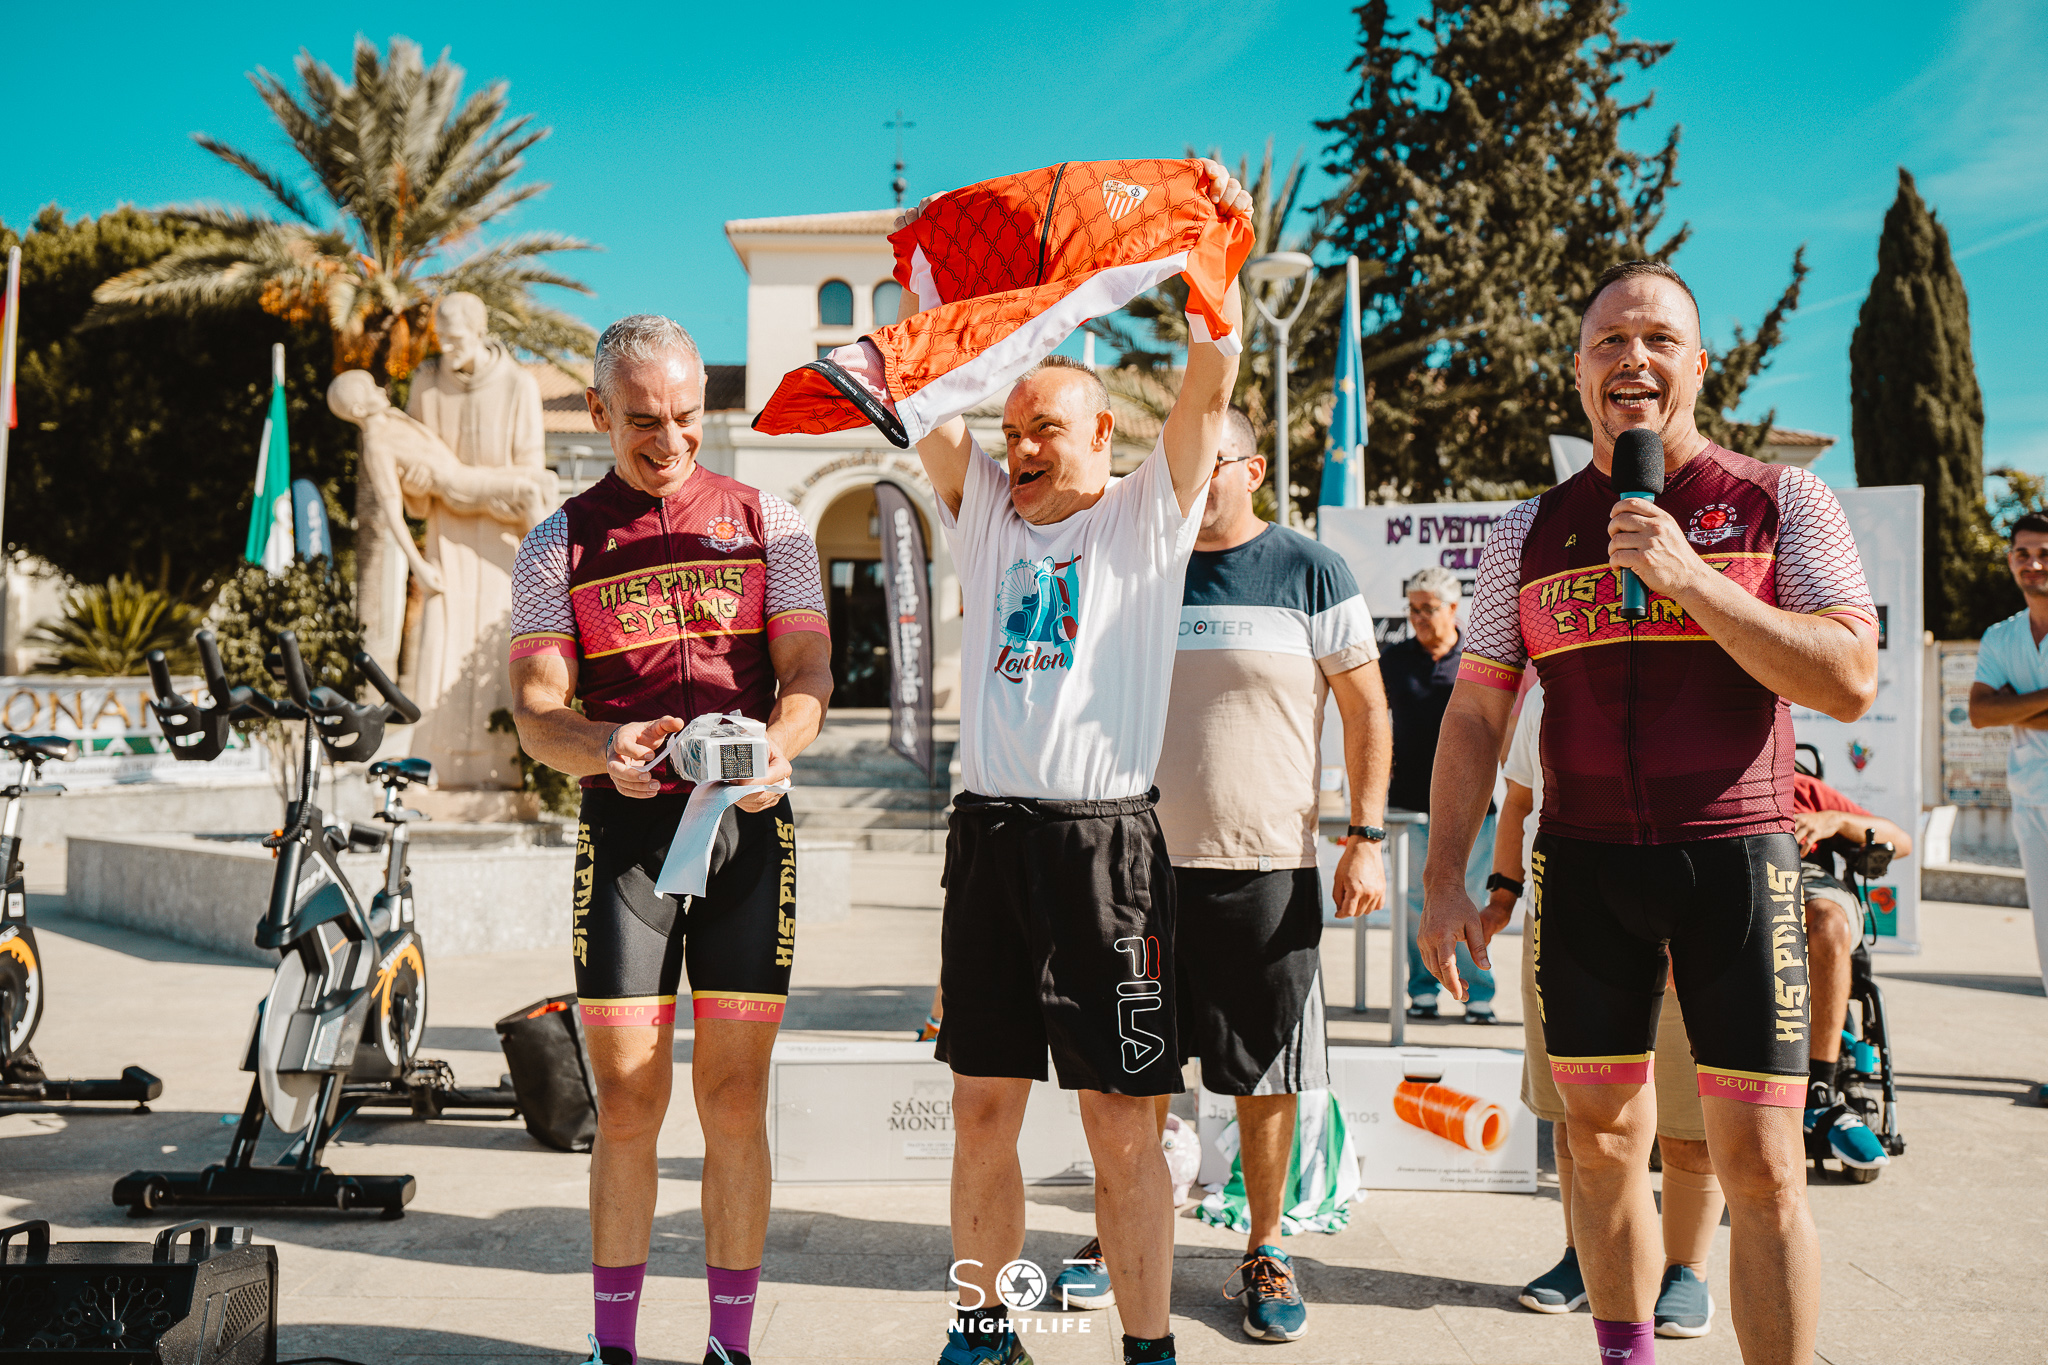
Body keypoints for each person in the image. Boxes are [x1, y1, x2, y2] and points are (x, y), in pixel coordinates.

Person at [1419, 259, 1879, 1365]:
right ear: (1578, 371)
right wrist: (1443, 878)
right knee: (1597, 1144)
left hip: (1736, 863)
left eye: (1659, 339)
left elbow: (1848, 677)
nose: (1633, 359)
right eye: (1609, 342)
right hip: (1584, 869)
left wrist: (1693, 580)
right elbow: (1476, 715)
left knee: (1762, 1166)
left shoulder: (1783, 500)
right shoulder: (1526, 530)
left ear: (1699, 365)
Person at [903, 161, 1253, 1365]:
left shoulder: (1147, 513)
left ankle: (1146, 1347)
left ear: (1103, 433)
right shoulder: (984, 515)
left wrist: (1212, 254)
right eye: (1010, 432)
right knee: (979, 1110)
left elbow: (1210, 379)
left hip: (1106, 853)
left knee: (1120, 1124)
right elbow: (924, 388)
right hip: (987, 841)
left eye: (1041, 429)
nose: (1018, 448)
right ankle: (981, 1329)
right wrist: (922, 269)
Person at [508, 314, 835, 1365]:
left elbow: (808, 676)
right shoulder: (555, 541)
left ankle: (729, 1347)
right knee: (628, 1102)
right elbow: (536, 712)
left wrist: (777, 747)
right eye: (643, 420)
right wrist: (604, 745)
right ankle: (614, 1347)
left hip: (748, 832)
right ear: (598, 412)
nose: (669, 440)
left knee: (733, 1101)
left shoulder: (772, 521)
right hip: (628, 837)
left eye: (687, 416)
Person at [1049, 407, 1392, 1342]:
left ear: (1255, 468)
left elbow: (1366, 709)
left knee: (1265, 1076)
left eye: (1215, 464)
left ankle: (1265, 1245)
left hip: (1265, 869)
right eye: (1183, 468)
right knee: (1133, 1070)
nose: (1197, 484)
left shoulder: (1310, 569)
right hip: (1134, 871)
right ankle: (1124, 1231)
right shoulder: (1137, 567)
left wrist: (1365, 834)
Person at [1496, 682, 1725, 1339]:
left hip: (1680, 915)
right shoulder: (1546, 689)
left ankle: (1686, 1270)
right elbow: (1518, 801)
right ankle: (1584, 1256)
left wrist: (1698, 919)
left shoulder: (1689, 672)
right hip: (1562, 918)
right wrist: (1503, 896)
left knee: (1686, 1113)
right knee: (1578, 1112)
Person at [1380, 566, 1498, 1021]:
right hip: (1409, 805)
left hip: (1472, 807)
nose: (1419, 618)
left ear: (1453, 608)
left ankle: (1478, 993)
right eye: (1413, 609)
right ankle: (1423, 990)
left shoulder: (1477, 658)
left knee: (1469, 897)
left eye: (1428, 609)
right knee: (1416, 902)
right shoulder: (1394, 659)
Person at [1792, 768, 1912, 1166]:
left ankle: (1819, 1092)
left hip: (1803, 877)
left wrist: (1835, 821)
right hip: (1724, 877)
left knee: (1829, 923)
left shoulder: (1801, 786)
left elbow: (1901, 841)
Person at [1968, 511, 2048, 1107]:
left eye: (2043, 552)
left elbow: (2000, 709)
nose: (2033, 563)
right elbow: (1979, 713)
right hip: (2033, 802)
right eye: (2022, 553)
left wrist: (2017, 705)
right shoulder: (2002, 637)